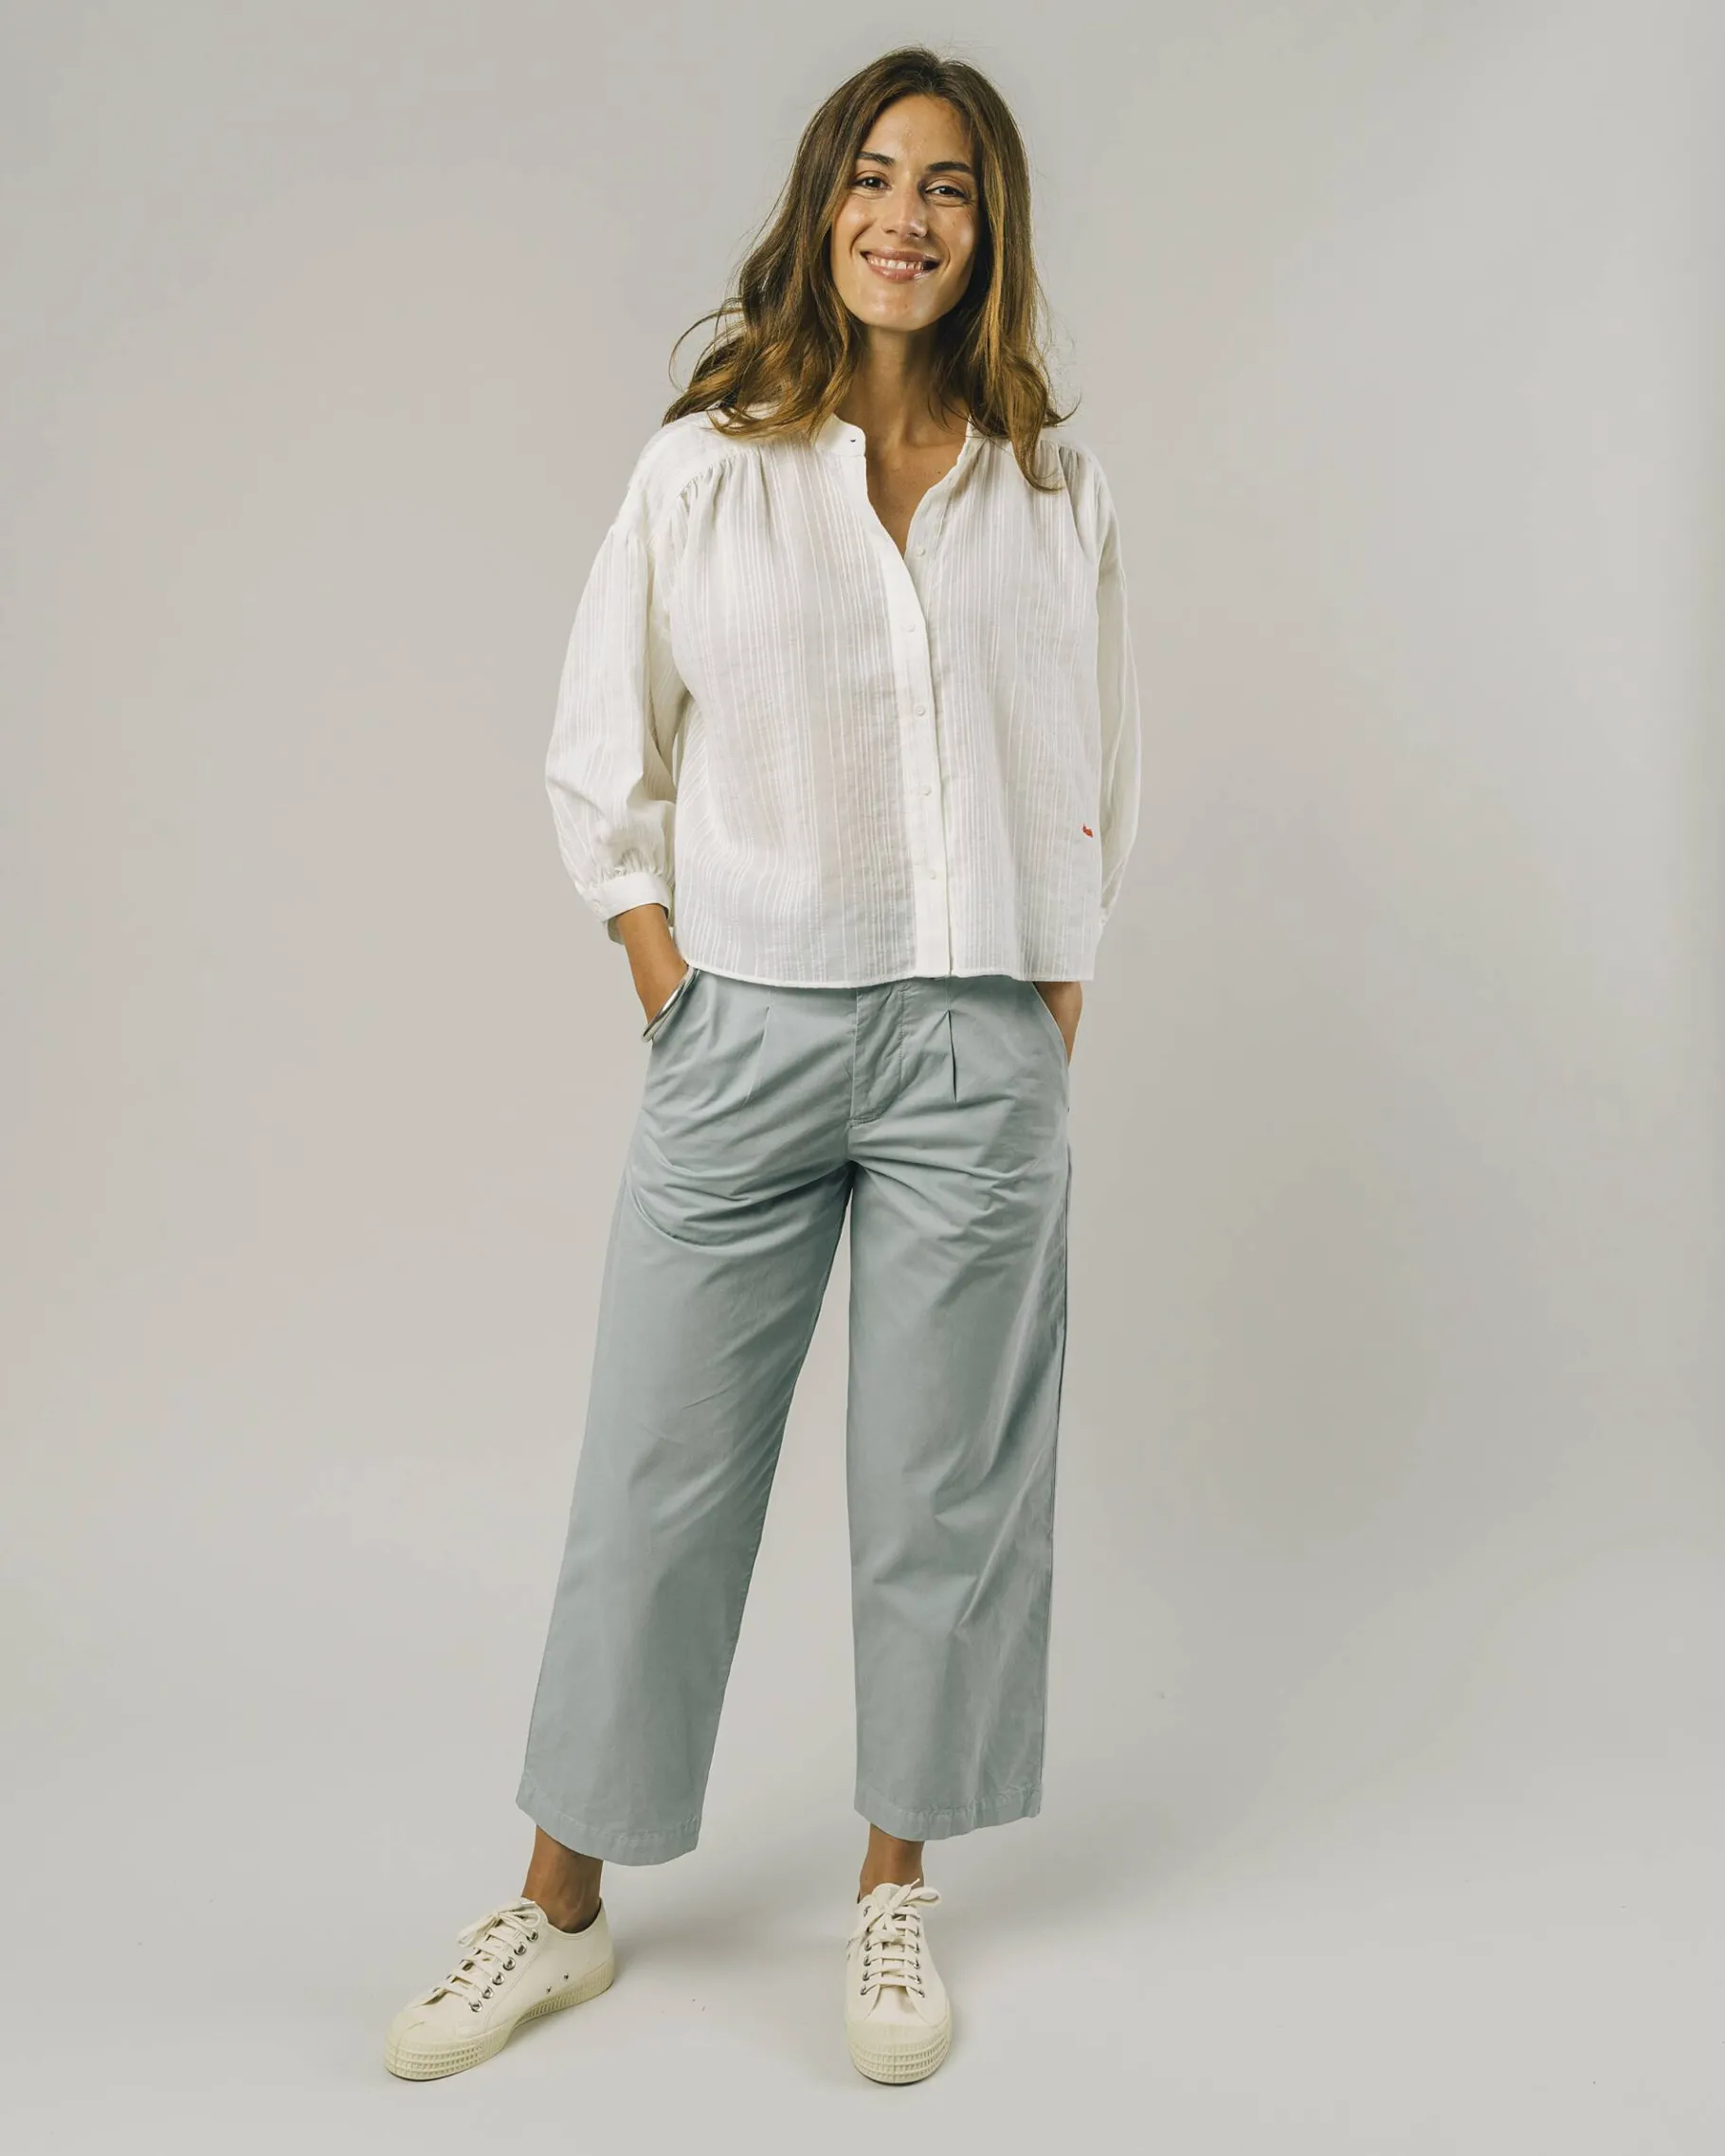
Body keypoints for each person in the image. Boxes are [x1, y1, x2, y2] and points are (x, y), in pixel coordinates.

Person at [384, 43, 1140, 2088]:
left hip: (978, 1041)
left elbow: (1095, 763)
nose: (908, 215)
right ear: (824, 207)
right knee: (657, 1473)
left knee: (945, 1491)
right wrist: (669, 981)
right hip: (750, 1028)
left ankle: (893, 1890)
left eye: (949, 185)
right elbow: (598, 746)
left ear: (989, 230)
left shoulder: (1050, 489)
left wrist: (1045, 1003)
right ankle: (557, 1907)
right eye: (875, 176)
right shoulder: (708, 466)